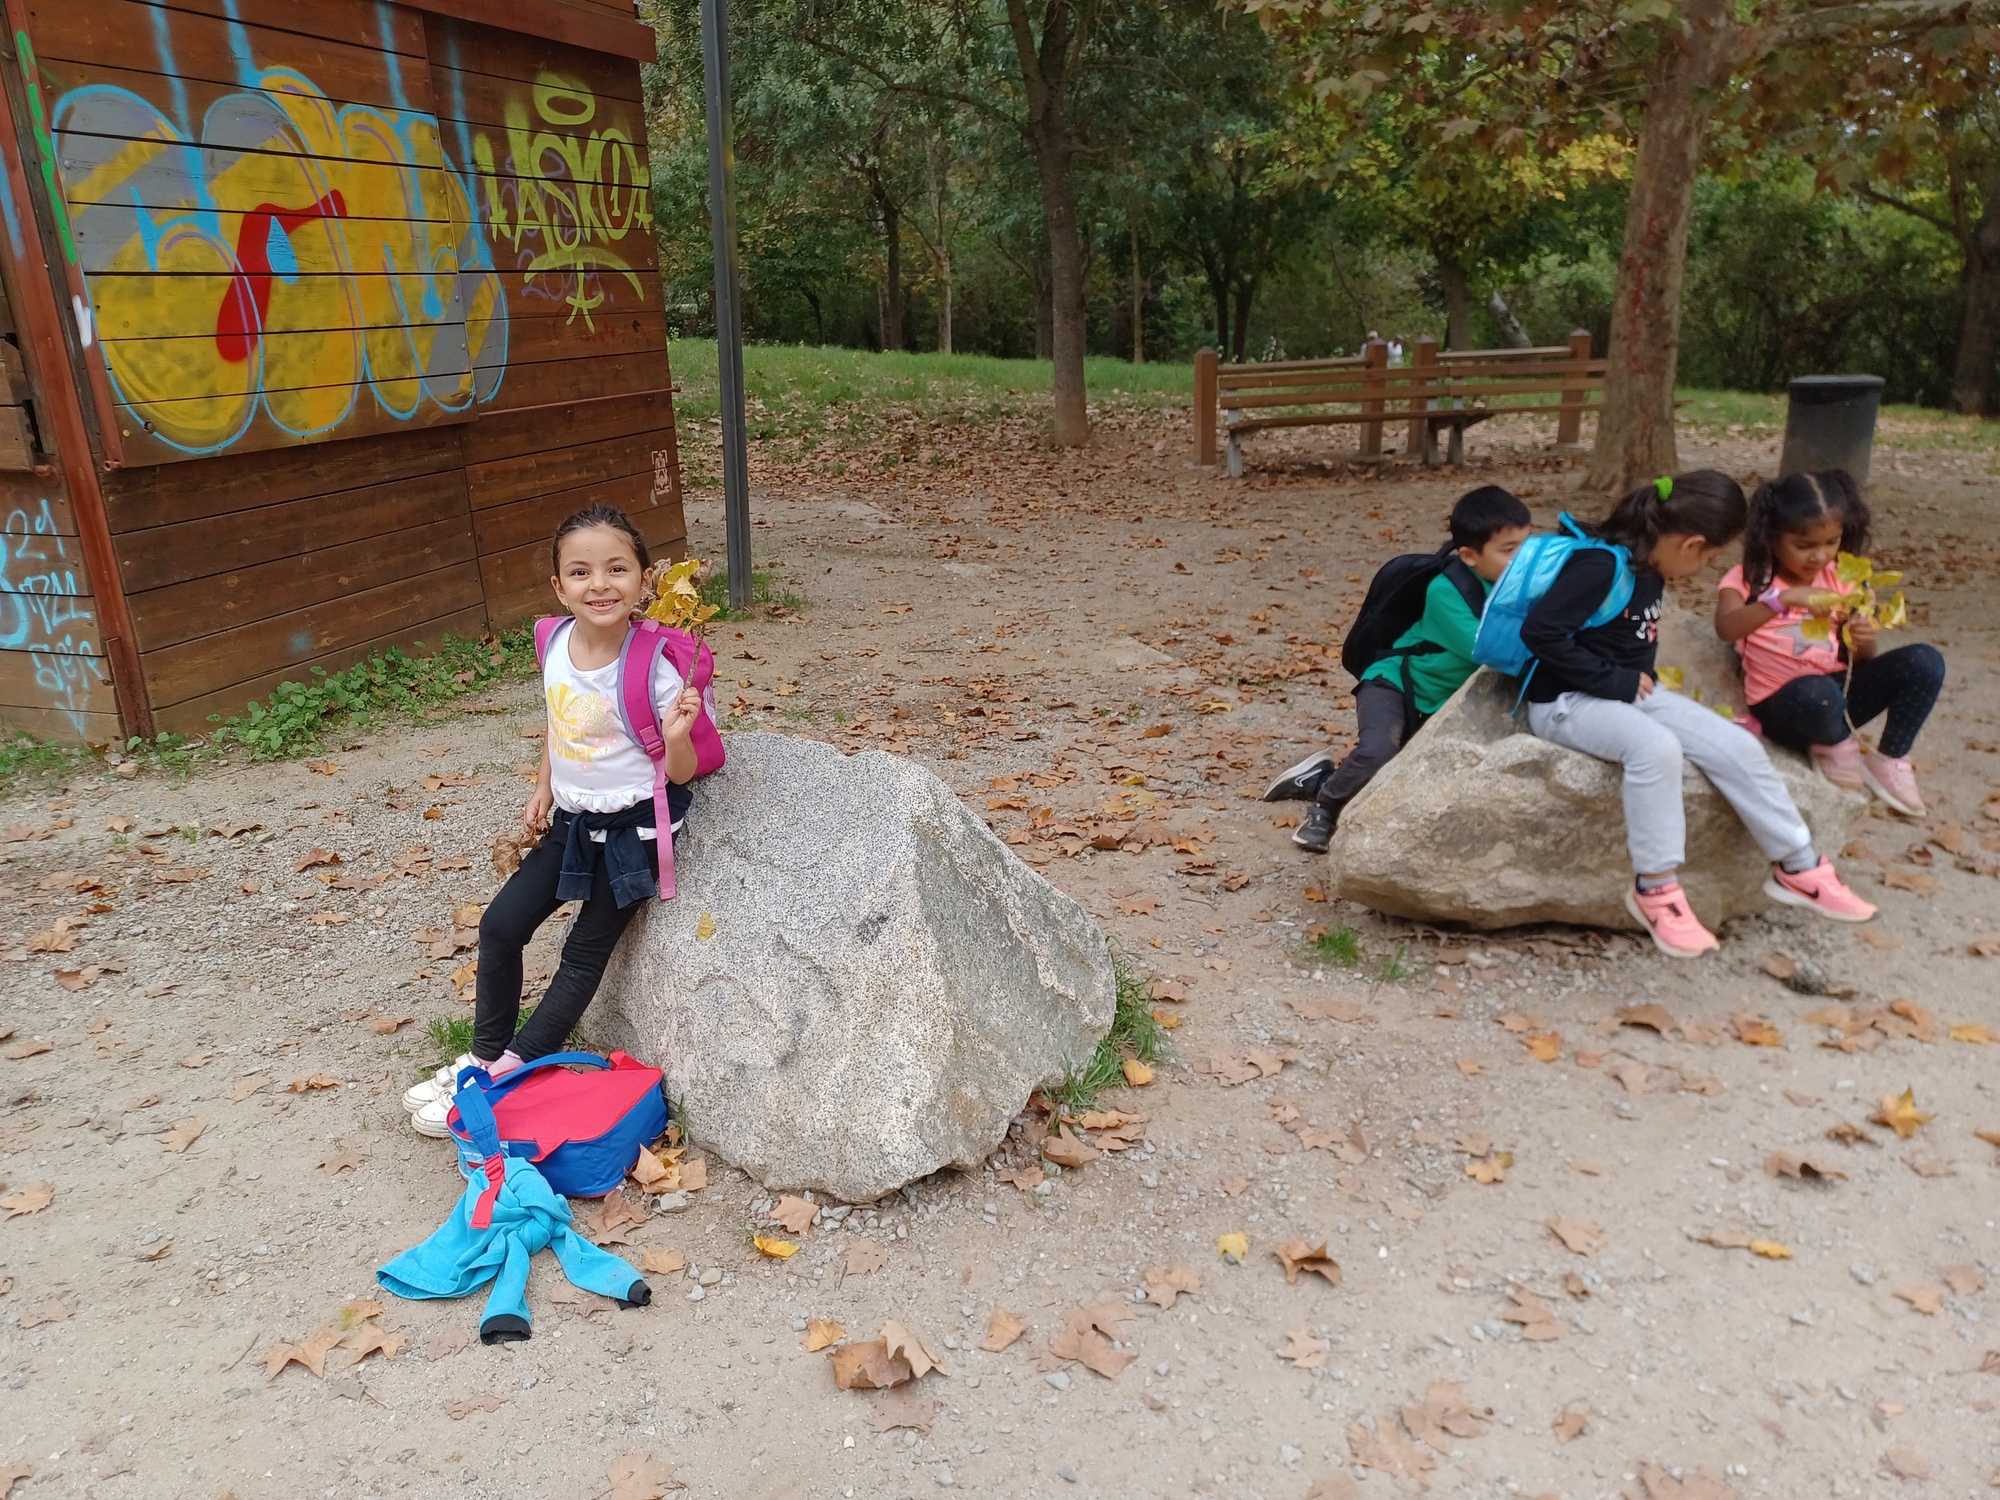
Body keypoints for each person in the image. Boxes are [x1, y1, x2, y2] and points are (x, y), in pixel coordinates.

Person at [405, 505, 707, 1137]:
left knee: (581, 953)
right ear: (559, 586)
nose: (600, 584)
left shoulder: (655, 668)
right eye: (580, 572)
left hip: (632, 832)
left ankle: (508, 1071)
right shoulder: (553, 642)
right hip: (573, 819)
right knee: (500, 925)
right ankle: (483, 1056)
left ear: (644, 579)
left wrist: (678, 734)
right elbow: (558, 719)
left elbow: (679, 773)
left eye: (617, 569)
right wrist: (544, 784)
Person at [1518, 471, 1875, 957]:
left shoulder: (1645, 566)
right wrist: (1615, 680)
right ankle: (1656, 890)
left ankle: (1799, 866)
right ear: (1691, 544)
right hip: (1565, 703)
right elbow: (1540, 634)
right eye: (1708, 557)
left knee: (1735, 743)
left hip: (1631, 695)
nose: (1703, 567)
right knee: (1654, 749)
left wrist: (1630, 683)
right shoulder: (1599, 566)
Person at [1265, 485, 1532, 852]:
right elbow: (1492, 649)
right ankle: (1325, 808)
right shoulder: (1447, 591)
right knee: (1378, 753)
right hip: (1394, 683)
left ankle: (1317, 778)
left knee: (1404, 778)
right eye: (1509, 550)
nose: (1523, 559)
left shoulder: (1517, 586)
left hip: (1440, 702)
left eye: (1526, 546)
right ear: (1470, 555)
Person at [1714, 469, 1944, 816]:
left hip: (1837, 697)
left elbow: (1858, 661)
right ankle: (1835, 746)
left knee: (1925, 661)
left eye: (1831, 542)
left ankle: (1891, 758)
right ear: (1771, 537)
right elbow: (1727, 628)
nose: (1819, 556)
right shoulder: (1750, 580)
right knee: (1817, 692)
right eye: (1804, 546)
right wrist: (1782, 600)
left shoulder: (1846, 578)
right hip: (1785, 704)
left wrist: (1864, 640)